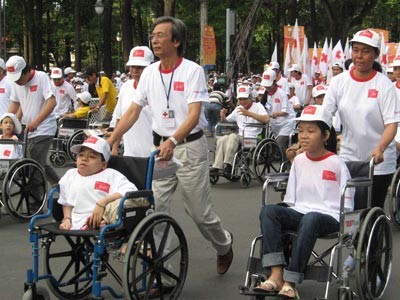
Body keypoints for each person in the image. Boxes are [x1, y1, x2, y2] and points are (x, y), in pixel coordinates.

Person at [107, 16, 233, 277]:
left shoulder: (192, 71)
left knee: (198, 213)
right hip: (160, 152)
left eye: (161, 35)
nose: (154, 39)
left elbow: (193, 113)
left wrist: (173, 140)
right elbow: (132, 111)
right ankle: (161, 274)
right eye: (153, 35)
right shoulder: (150, 72)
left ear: (176, 41)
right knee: (154, 211)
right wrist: (110, 140)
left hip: (187, 148)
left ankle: (223, 245)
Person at [255, 105, 353, 299]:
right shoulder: (299, 161)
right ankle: (276, 275)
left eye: (310, 131)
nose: (304, 136)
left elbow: (347, 204)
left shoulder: (336, 163)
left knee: (311, 218)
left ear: (325, 135)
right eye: (300, 131)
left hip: (329, 216)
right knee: (269, 211)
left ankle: (290, 282)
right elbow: (291, 199)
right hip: (301, 211)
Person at [323, 28, 400, 209]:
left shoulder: (384, 85)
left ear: (375, 54)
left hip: (379, 160)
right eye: (356, 50)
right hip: (349, 155)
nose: (359, 56)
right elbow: (325, 115)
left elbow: (391, 124)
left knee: (371, 208)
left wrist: (380, 148)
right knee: (349, 208)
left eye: (365, 51)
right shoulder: (339, 82)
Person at [58, 136, 140, 230]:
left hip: (104, 220)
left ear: (103, 164)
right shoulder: (70, 175)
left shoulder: (110, 175)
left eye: (92, 156)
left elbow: (130, 190)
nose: (84, 159)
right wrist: (67, 219)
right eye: (81, 155)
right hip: (76, 221)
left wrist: (103, 202)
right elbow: (66, 202)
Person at [6, 55, 59, 185]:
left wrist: (36, 122)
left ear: (26, 71)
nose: (17, 82)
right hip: (28, 129)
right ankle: (62, 186)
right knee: (38, 163)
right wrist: (7, 121)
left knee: (33, 165)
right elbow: (15, 104)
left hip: (44, 128)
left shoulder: (41, 77)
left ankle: (35, 202)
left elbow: (51, 102)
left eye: (19, 78)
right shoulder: (16, 84)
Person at [209, 85, 269, 175]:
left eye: (244, 99)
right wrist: (223, 117)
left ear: (249, 97)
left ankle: (229, 164)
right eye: (240, 99)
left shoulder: (258, 106)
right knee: (223, 139)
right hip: (241, 136)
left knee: (233, 136)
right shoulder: (238, 109)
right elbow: (226, 121)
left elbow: (266, 119)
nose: (242, 101)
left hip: (253, 138)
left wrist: (249, 113)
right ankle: (217, 166)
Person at [111, 46, 154, 157]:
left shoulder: (158, 88)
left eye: (140, 67)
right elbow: (119, 119)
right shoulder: (126, 87)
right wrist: (114, 148)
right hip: (130, 153)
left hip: (154, 153)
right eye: (132, 66)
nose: (135, 70)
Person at [261, 69, 295, 153]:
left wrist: (276, 114)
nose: (267, 88)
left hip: (286, 123)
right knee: (274, 145)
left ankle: (285, 163)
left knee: (279, 144)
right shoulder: (266, 95)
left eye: (268, 86)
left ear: (274, 82)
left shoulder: (281, 93)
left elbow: (285, 111)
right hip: (275, 124)